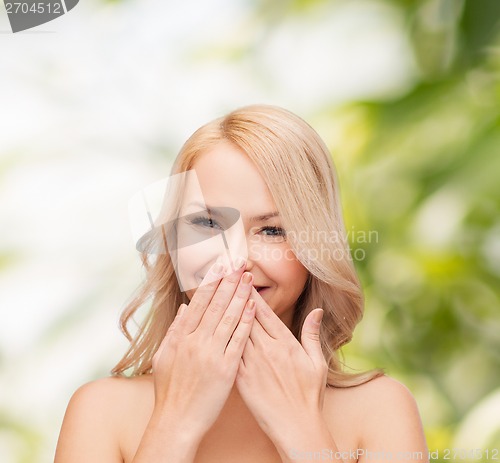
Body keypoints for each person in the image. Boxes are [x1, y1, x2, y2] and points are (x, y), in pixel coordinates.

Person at [54, 105, 429, 463]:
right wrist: (175, 420)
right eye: (208, 224)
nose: (236, 259)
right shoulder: (100, 411)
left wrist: (301, 430)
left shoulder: (381, 410)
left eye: (272, 230)